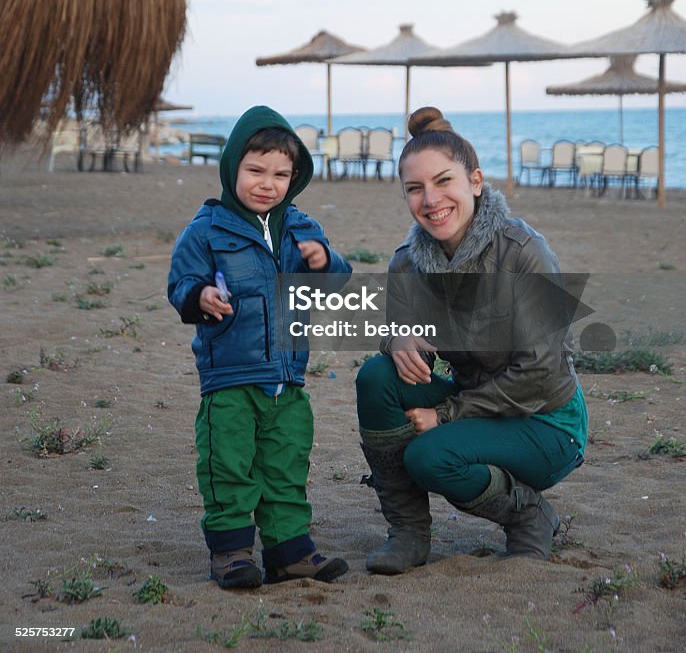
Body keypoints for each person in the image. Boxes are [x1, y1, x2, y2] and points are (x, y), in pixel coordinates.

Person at [356, 107, 587, 573]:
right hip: (470, 392)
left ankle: (528, 515)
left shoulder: (525, 252)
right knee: (378, 377)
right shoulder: (408, 263)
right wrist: (396, 337)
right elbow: (396, 330)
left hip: (546, 421)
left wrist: (444, 413)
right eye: (415, 188)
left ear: (475, 182)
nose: (431, 199)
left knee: (429, 455)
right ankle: (408, 532)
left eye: (444, 181)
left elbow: (541, 371)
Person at [168, 106, 351, 589]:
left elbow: (337, 285)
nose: (267, 183)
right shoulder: (206, 229)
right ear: (233, 168)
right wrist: (201, 295)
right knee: (227, 465)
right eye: (255, 170)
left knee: (286, 463)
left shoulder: (301, 227)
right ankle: (230, 554)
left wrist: (323, 260)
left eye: (280, 174)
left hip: (287, 377)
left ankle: (290, 552)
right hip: (229, 377)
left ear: (295, 178)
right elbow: (180, 283)